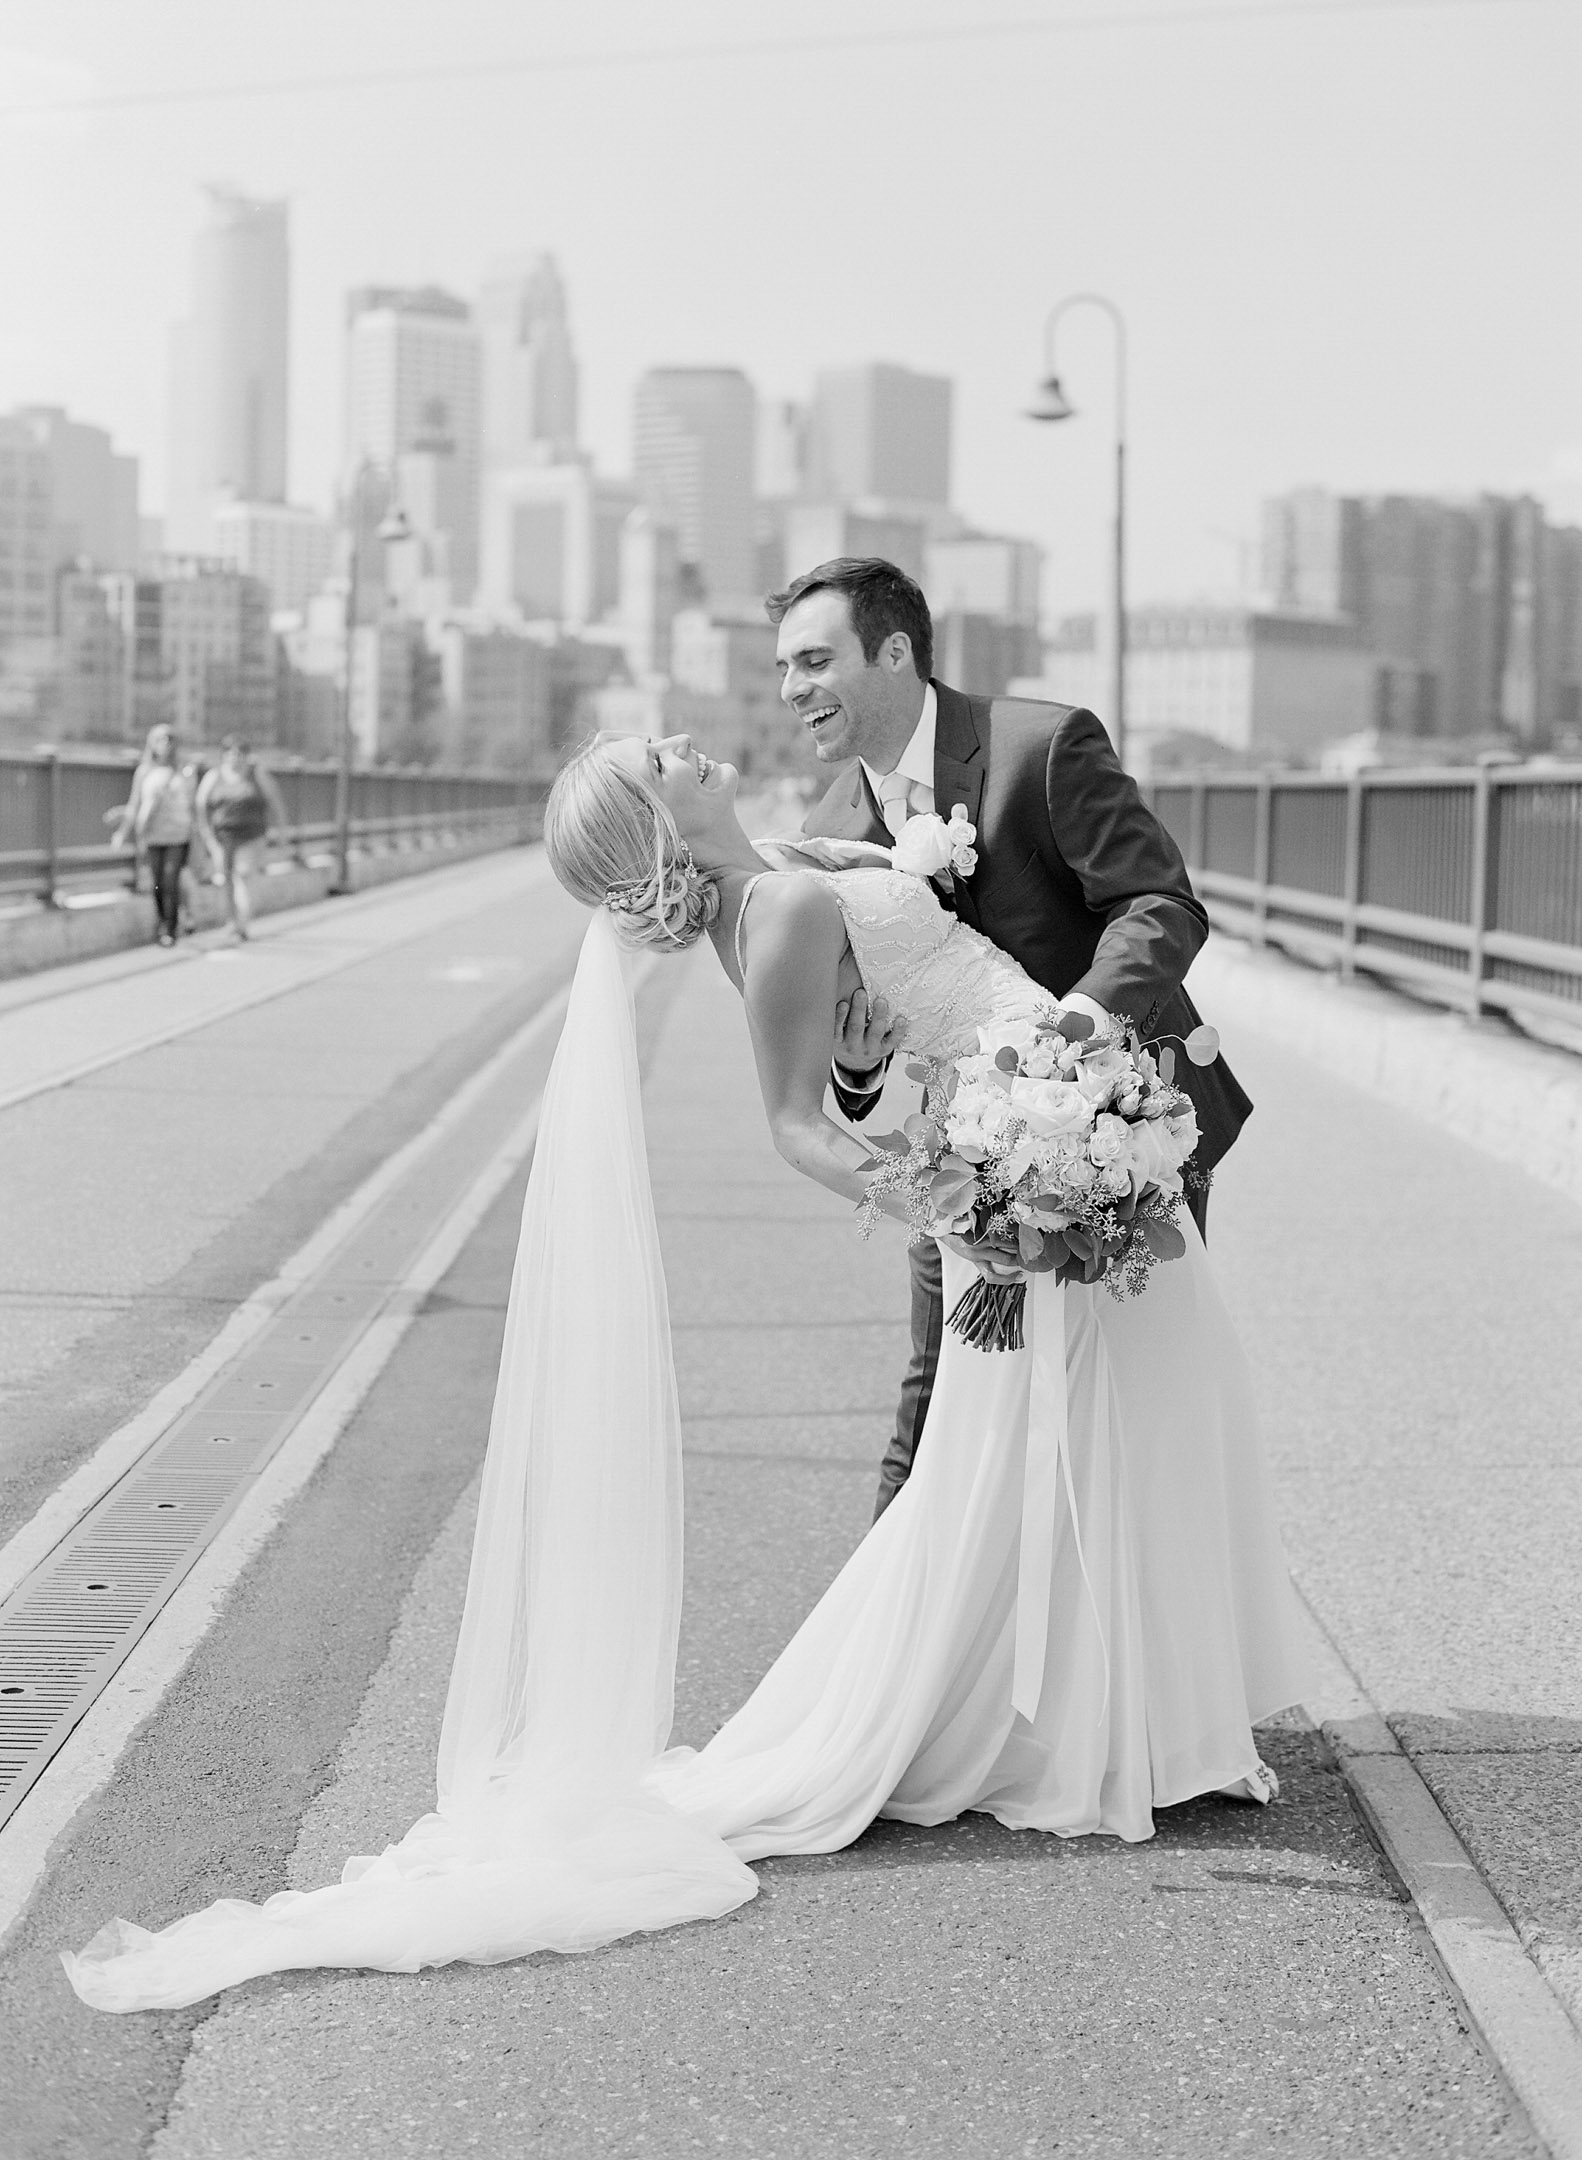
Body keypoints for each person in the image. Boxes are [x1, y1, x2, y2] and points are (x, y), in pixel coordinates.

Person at [62, 723, 1307, 2014]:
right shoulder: (772, 912)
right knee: (1068, 1451)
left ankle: (1120, 1721)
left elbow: (881, 1046)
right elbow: (791, 1124)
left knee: (1095, 1445)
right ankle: (1101, 1736)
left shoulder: (784, 863)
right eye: (659, 758)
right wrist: (969, 1201)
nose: (686, 746)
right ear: (653, 830)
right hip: (1023, 1174)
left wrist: (978, 1117)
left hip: (1056, 1126)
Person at [774, 556, 1253, 1519]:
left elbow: (1161, 904)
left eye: (815, 661)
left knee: (1128, 1405)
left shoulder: (1041, 745)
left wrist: (1073, 1031)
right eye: (784, 668)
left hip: (1121, 1133)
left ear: (896, 651)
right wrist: (858, 1074)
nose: (793, 690)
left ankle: (1122, 1637)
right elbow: (853, 1028)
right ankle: (900, 1650)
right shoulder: (826, 829)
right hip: (956, 1159)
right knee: (939, 1396)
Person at [110, 724, 200, 948]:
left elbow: (193, 804)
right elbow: (135, 804)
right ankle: (162, 921)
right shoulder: (144, 771)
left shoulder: (185, 769)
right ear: (152, 744)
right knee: (157, 883)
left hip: (178, 835)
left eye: (170, 739)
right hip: (152, 835)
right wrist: (122, 832)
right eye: (160, 739)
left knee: (171, 880)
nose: (165, 744)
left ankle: (170, 928)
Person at [195, 738, 287, 944]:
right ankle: (231, 922)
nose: (235, 758)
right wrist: (207, 837)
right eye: (230, 754)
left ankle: (242, 925)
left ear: (246, 756)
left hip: (252, 836)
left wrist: (282, 834)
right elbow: (200, 806)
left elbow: (275, 803)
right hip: (223, 837)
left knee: (244, 876)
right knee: (226, 880)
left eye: (239, 754)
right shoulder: (214, 776)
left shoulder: (257, 775)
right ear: (223, 756)